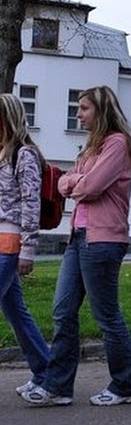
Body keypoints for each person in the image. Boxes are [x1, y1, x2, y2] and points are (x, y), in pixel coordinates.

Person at [21, 86, 131, 407]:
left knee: (106, 315)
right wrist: (75, 181)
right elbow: (65, 183)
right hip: (78, 238)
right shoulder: (92, 148)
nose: (78, 114)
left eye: (84, 108)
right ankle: (58, 387)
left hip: (103, 240)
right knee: (63, 311)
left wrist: (77, 181)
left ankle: (125, 384)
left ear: (102, 111)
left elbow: (88, 186)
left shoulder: (117, 144)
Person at [0, 94, 50, 397]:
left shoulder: (24, 154)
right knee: (16, 311)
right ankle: (45, 370)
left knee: (15, 310)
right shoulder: (2, 153)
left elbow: (31, 203)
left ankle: (46, 372)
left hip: (10, 243)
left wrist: (28, 250)